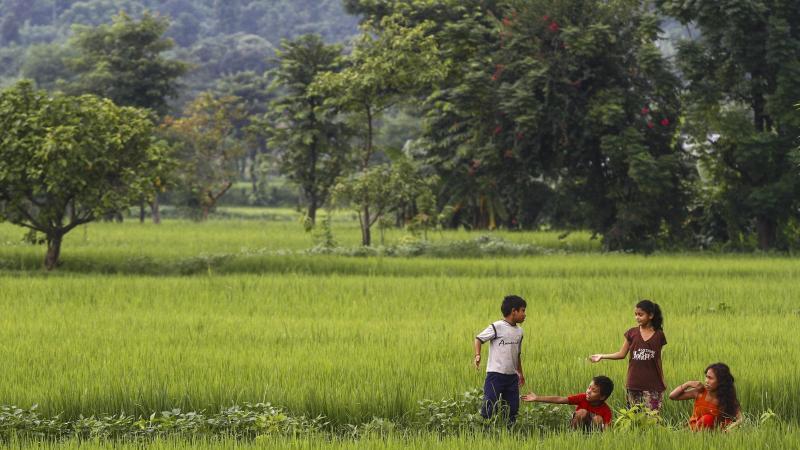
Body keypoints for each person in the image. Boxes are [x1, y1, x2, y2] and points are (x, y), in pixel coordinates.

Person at [589, 299, 667, 411]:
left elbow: (658, 360)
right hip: (634, 383)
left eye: (640, 314)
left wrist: (662, 379)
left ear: (650, 315)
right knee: (634, 417)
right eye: (635, 315)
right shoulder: (632, 333)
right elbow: (621, 354)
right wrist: (602, 356)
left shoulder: (659, 335)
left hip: (653, 384)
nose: (637, 317)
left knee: (652, 417)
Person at [474, 295, 526, 424]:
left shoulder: (519, 331)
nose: (524, 314)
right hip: (495, 375)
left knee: (512, 409)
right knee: (489, 407)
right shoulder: (497, 327)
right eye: (523, 310)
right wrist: (478, 355)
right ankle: (484, 433)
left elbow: (517, 354)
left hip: (512, 377)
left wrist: (520, 373)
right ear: (514, 311)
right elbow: (479, 339)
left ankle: (508, 434)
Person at [522, 375, 615, 431]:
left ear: (602, 397)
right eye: (589, 387)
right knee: (582, 412)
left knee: (598, 419)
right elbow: (560, 399)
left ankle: (592, 438)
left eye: (594, 391)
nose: (588, 391)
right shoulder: (582, 398)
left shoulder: (606, 410)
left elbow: (607, 429)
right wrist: (537, 398)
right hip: (577, 424)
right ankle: (573, 434)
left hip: (592, 430)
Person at [669, 362, 742, 431]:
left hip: (714, 435)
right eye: (706, 377)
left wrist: (729, 429)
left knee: (709, 419)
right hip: (693, 431)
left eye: (710, 378)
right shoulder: (700, 393)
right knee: (707, 419)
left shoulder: (726, 398)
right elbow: (673, 396)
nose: (706, 381)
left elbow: (739, 419)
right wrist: (688, 384)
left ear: (720, 381)